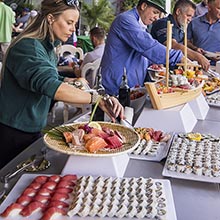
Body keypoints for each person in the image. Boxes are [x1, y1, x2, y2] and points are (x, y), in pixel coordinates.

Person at [0, 0, 124, 169]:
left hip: (32, 126)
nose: (73, 29)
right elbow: (50, 86)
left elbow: (45, 76)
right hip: (14, 131)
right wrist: (96, 99)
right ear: (51, 18)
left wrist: (67, 80)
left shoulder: (47, 46)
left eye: (75, 23)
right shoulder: (29, 47)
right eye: (69, 22)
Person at [100, 0, 184, 96]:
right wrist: (179, 57)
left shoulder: (141, 24)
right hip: (116, 88)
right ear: (144, 6)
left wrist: (154, 63)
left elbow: (142, 52)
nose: (156, 18)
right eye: (155, 12)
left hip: (130, 87)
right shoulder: (126, 20)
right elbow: (148, 46)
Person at [151, 0, 210, 71]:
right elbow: (172, 45)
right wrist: (198, 57)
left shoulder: (180, 27)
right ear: (178, 11)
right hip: (160, 71)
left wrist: (195, 49)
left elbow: (183, 44)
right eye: (188, 15)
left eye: (191, 17)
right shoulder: (164, 24)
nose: (190, 20)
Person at [187, 0, 220, 65]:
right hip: (198, 66)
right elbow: (186, 41)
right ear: (209, 7)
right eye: (219, 8)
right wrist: (195, 48)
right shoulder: (194, 22)